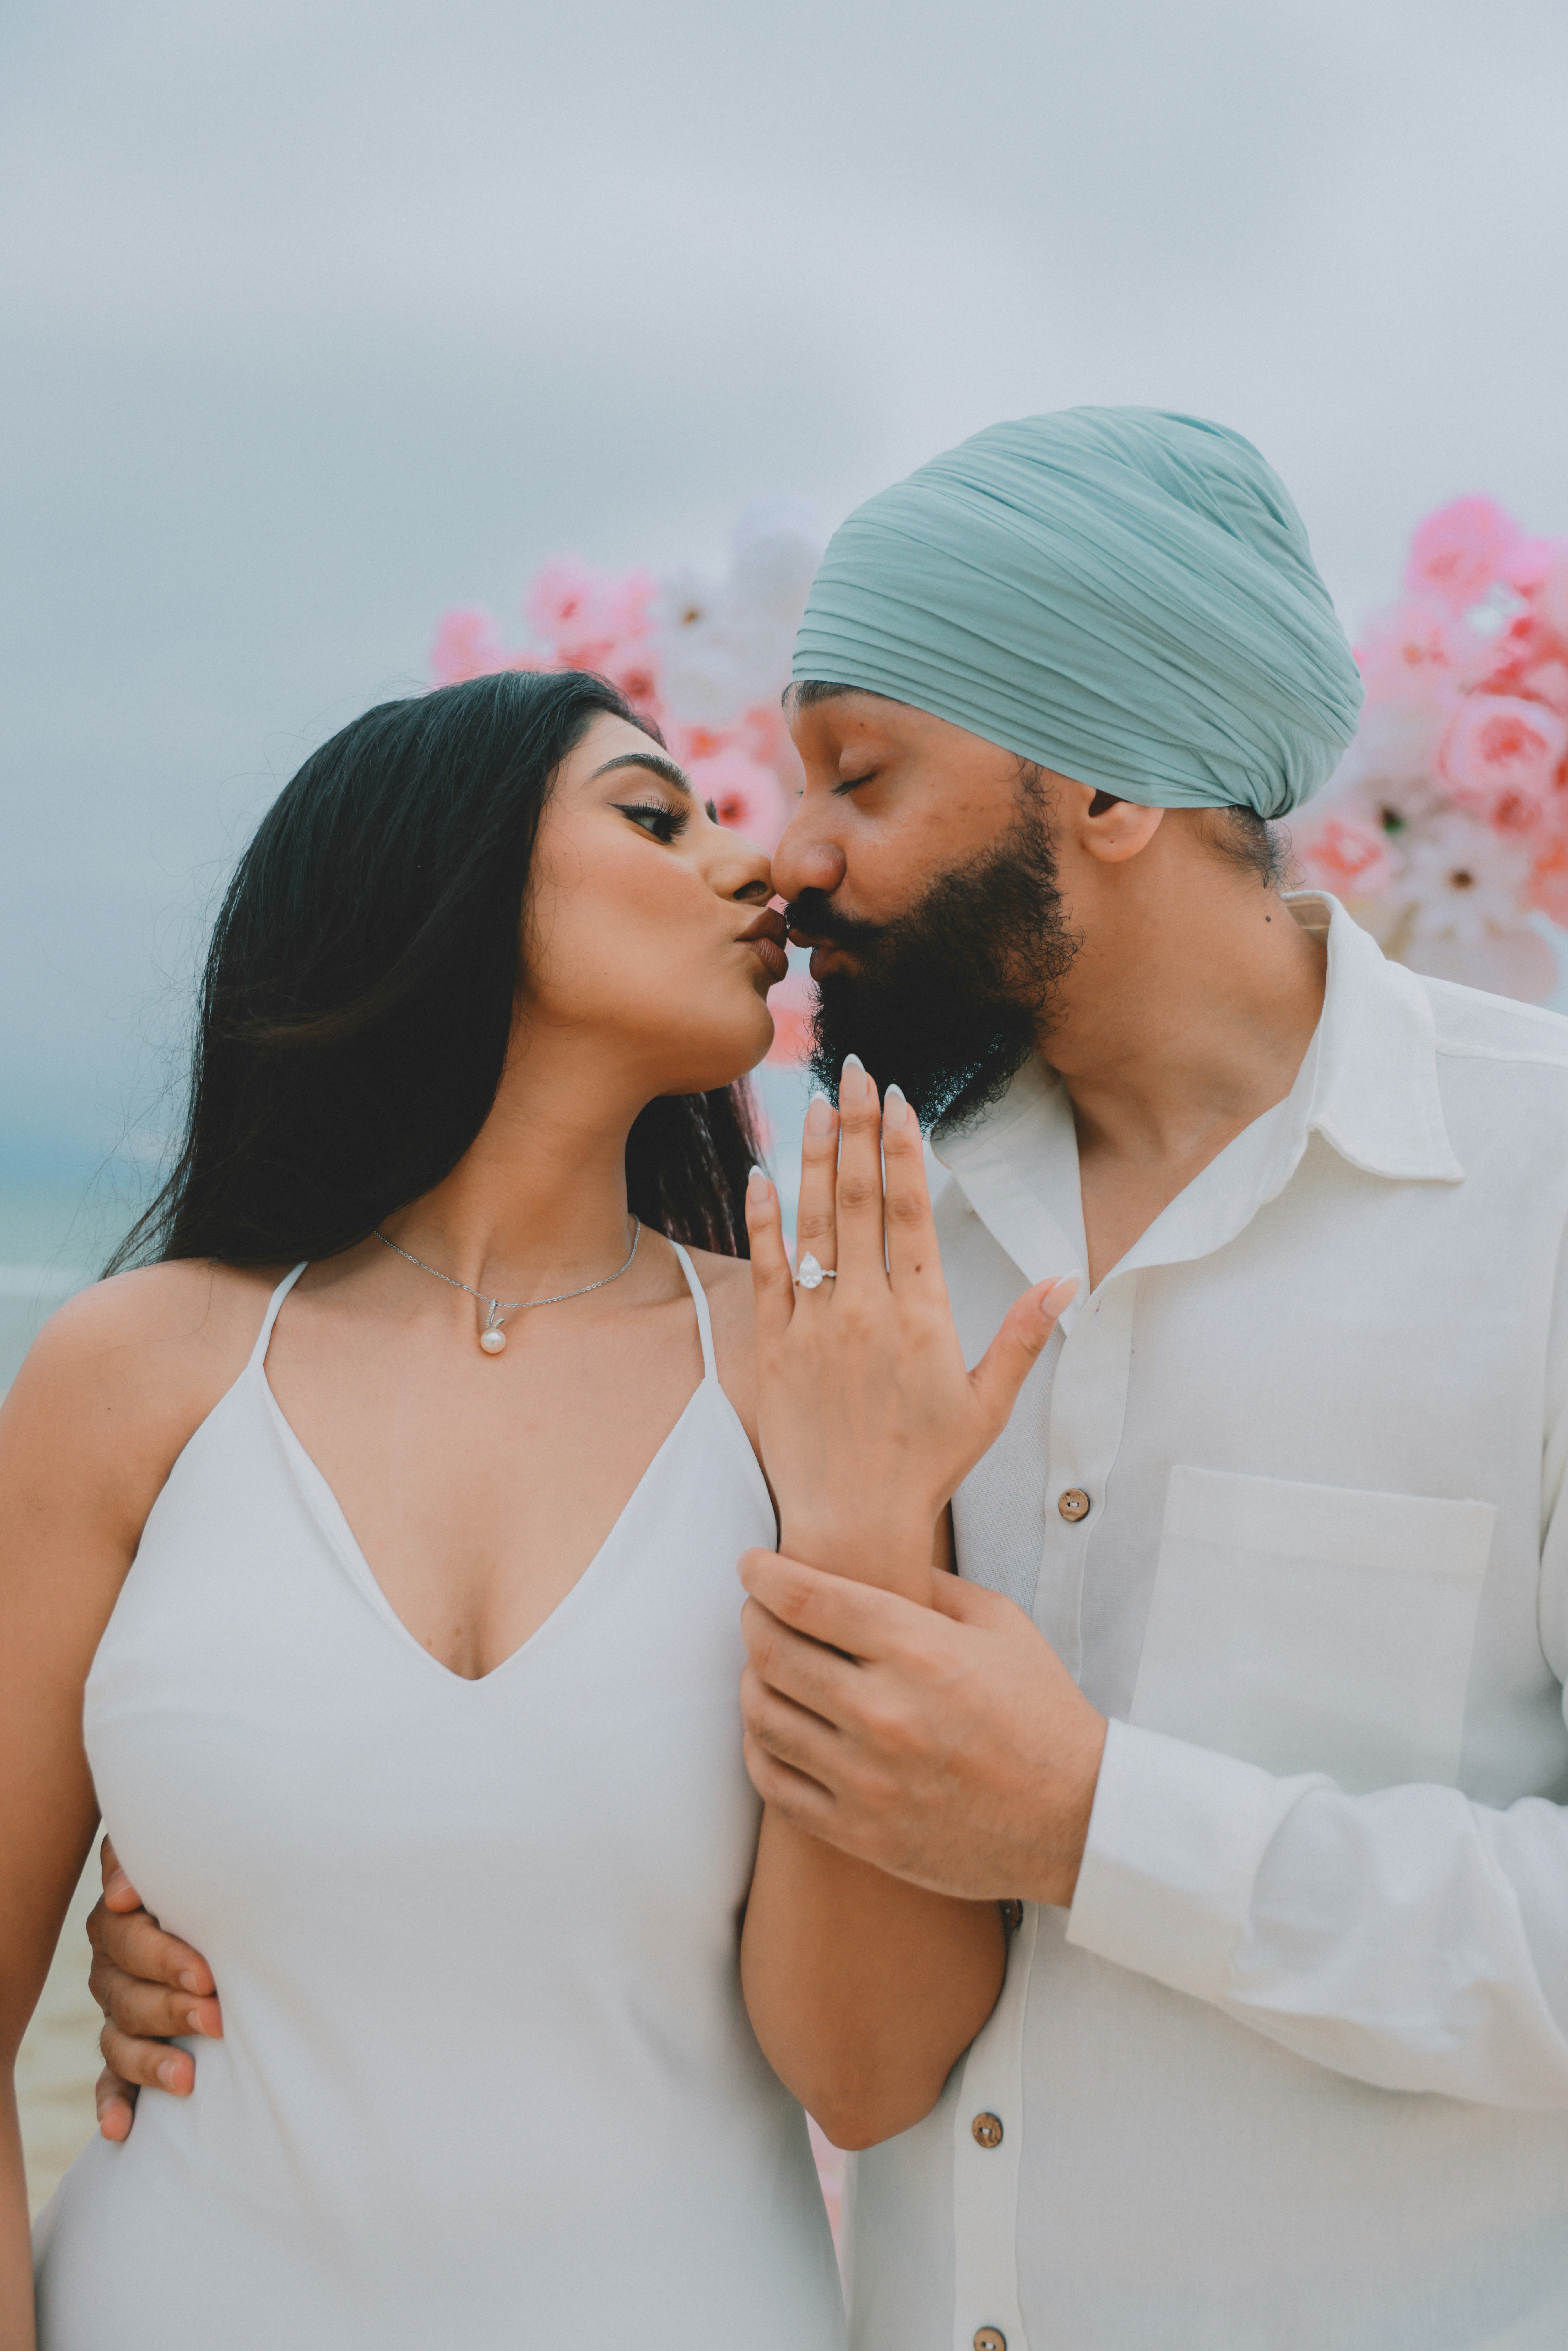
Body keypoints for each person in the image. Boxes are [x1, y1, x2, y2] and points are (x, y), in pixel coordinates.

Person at [93, 405, 1568, 2347]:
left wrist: (1089, 1821)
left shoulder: (1535, 1200)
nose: (786, 854)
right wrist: (298, 1915)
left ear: (1109, 790)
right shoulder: (841, 1254)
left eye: (859, 776)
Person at [5, 665, 1064, 2350]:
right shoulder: (135, 1374)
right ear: (438, 884)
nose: (754, 871)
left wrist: (858, 1533)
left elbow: (864, 2076)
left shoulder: (809, 1374)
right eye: (656, 818)